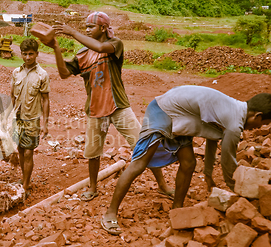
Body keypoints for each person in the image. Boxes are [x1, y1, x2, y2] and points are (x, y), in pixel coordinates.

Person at [102, 86, 271, 235]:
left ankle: (177, 209)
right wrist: (240, 190)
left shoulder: (235, 109)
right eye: (263, 124)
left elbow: (213, 137)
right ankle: (110, 212)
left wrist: (208, 173)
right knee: (139, 164)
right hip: (163, 110)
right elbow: (228, 161)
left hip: (182, 115)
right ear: (257, 115)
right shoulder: (235, 124)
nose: (259, 128)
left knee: (189, 162)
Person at [46, 11, 173, 202]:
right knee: (93, 153)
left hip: (118, 106)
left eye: (91, 26)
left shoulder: (115, 45)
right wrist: (56, 47)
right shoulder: (82, 55)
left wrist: (72, 32)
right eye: (85, 27)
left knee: (143, 145)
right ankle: (93, 188)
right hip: (95, 110)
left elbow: (99, 46)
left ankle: (162, 186)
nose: (87, 30)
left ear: (103, 28)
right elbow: (64, 73)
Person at [3, 38, 50, 192]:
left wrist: (45, 124)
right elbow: (12, 97)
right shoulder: (16, 72)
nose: (28, 57)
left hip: (32, 119)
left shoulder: (42, 75)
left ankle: (25, 184)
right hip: (18, 118)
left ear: (37, 54)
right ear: (21, 54)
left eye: (31, 54)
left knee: (29, 151)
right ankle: (25, 179)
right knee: (21, 149)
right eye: (25, 54)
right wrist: (6, 117)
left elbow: (45, 100)